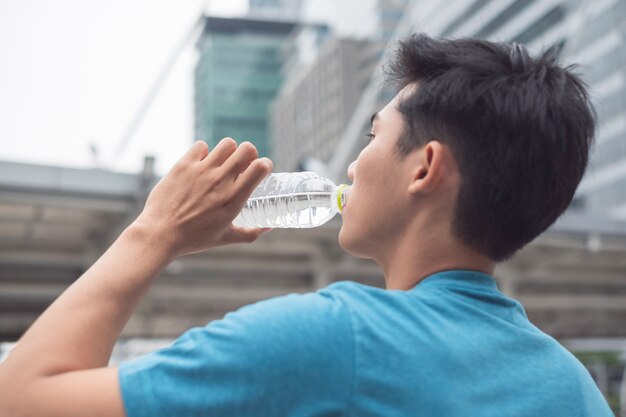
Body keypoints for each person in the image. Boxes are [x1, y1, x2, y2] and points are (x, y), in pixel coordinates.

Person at [0, 33, 613, 416]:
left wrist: (153, 231)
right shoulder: (572, 385)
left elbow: (22, 399)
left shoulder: (330, 339)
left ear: (424, 169)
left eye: (374, 135)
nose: (352, 164)